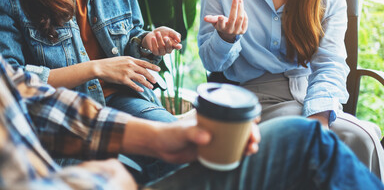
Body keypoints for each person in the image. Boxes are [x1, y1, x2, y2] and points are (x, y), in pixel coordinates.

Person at [0, 54, 382, 190]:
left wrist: (155, 136)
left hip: (125, 102)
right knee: (304, 141)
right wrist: (109, 181)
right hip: (92, 149)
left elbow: (21, 93)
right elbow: (217, 59)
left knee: (310, 135)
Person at [198, 0, 384, 180]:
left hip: (313, 98)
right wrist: (226, 38)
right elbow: (211, 62)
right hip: (254, 99)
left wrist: (318, 123)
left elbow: (330, 64)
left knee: (361, 139)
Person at [0, 0, 183, 182]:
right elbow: (11, 82)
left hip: (122, 101)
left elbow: (131, 39)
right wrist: (96, 68)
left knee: (179, 152)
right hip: (59, 115)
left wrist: (147, 44)